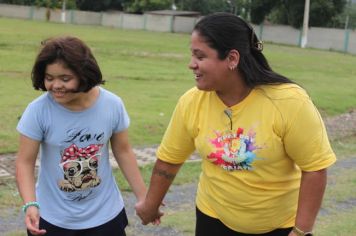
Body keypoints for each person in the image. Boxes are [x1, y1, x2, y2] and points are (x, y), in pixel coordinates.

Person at [135, 12, 336, 236]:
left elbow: (315, 168)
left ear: (232, 58)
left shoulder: (289, 102)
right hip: (212, 218)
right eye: (192, 55)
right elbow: (169, 160)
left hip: (278, 226)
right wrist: (150, 205)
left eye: (200, 56)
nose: (191, 64)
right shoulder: (192, 102)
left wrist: (301, 231)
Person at [15, 36, 150, 236]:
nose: (56, 85)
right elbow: (24, 162)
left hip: (105, 215)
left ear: (84, 74)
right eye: (49, 78)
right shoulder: (38, 110)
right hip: (53, 218)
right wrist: (31, 204)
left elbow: (123, 151)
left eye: (65, 78)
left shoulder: (112, 105)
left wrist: (143, 198)